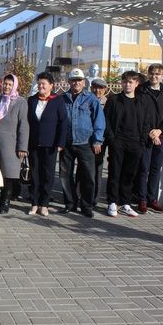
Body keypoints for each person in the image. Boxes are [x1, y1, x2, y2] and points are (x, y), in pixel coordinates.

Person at [104, 71, 154, 217]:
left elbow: (147, 122)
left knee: (129, 174)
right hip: (118, 141)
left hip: (136, 143)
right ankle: (112, 202)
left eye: (131, 82)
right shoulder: (114, 100)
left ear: (136, 84)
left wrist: (142, 140)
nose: (127, 84)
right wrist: (112, 139)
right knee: (115, 172)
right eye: (125, 82)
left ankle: (125, 203)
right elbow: (106, 120)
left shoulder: (142, 101)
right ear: (122, 83)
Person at [59, 68, 105, 218]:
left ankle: (86, 205)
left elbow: (99, 120)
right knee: (65, 175)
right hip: (67, 143)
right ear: (69, 82)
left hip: (86, 143)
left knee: (88, 176)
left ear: (84, 82)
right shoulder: (62, 98)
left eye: (79, 80)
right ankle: (70, 203)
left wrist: (98, 140)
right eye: (73, 80)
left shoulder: (91, 99)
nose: (76, 83)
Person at [27, 72, 68, 216]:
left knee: (48, 175)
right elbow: (27, 123)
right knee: (35, 174)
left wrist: (60, 142)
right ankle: (34, 203)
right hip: (34, 144)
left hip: (51, 145)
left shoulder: (58, 101)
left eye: (44, 83)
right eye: (39, 83)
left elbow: (63, 123)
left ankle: (44, 204)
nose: (41, 86)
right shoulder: (31, 100)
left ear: (51, 86)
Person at [0, 74, 29, 214]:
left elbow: (24, 125)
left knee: (8, 175)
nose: (6, 87)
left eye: (9, 85)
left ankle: (5, 203)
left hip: (11, 144)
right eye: (5, 84)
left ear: (14, 86)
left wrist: (22, 147)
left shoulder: (20, 102)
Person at [136, 63, 163, 213]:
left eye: (157, 74)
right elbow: (138, 113)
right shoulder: (140, 90)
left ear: (162, 76)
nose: (154, 76)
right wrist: (150, 132)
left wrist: (159, 131)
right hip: (145, 135)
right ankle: (142, 199)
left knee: (156, 168)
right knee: (144, 168)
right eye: (152, 73)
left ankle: (152, 199)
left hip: (161, 137)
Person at [89, 78, 109, 205]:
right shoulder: (87, 100)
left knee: (97, 168)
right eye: (95, 87)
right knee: (84, 167)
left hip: (101, 140)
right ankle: (81, 195)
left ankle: (95, 197)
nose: (97, 90)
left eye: (100, 88)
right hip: (86, 138)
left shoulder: (108, 103)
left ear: (105, 90)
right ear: (91, 88)